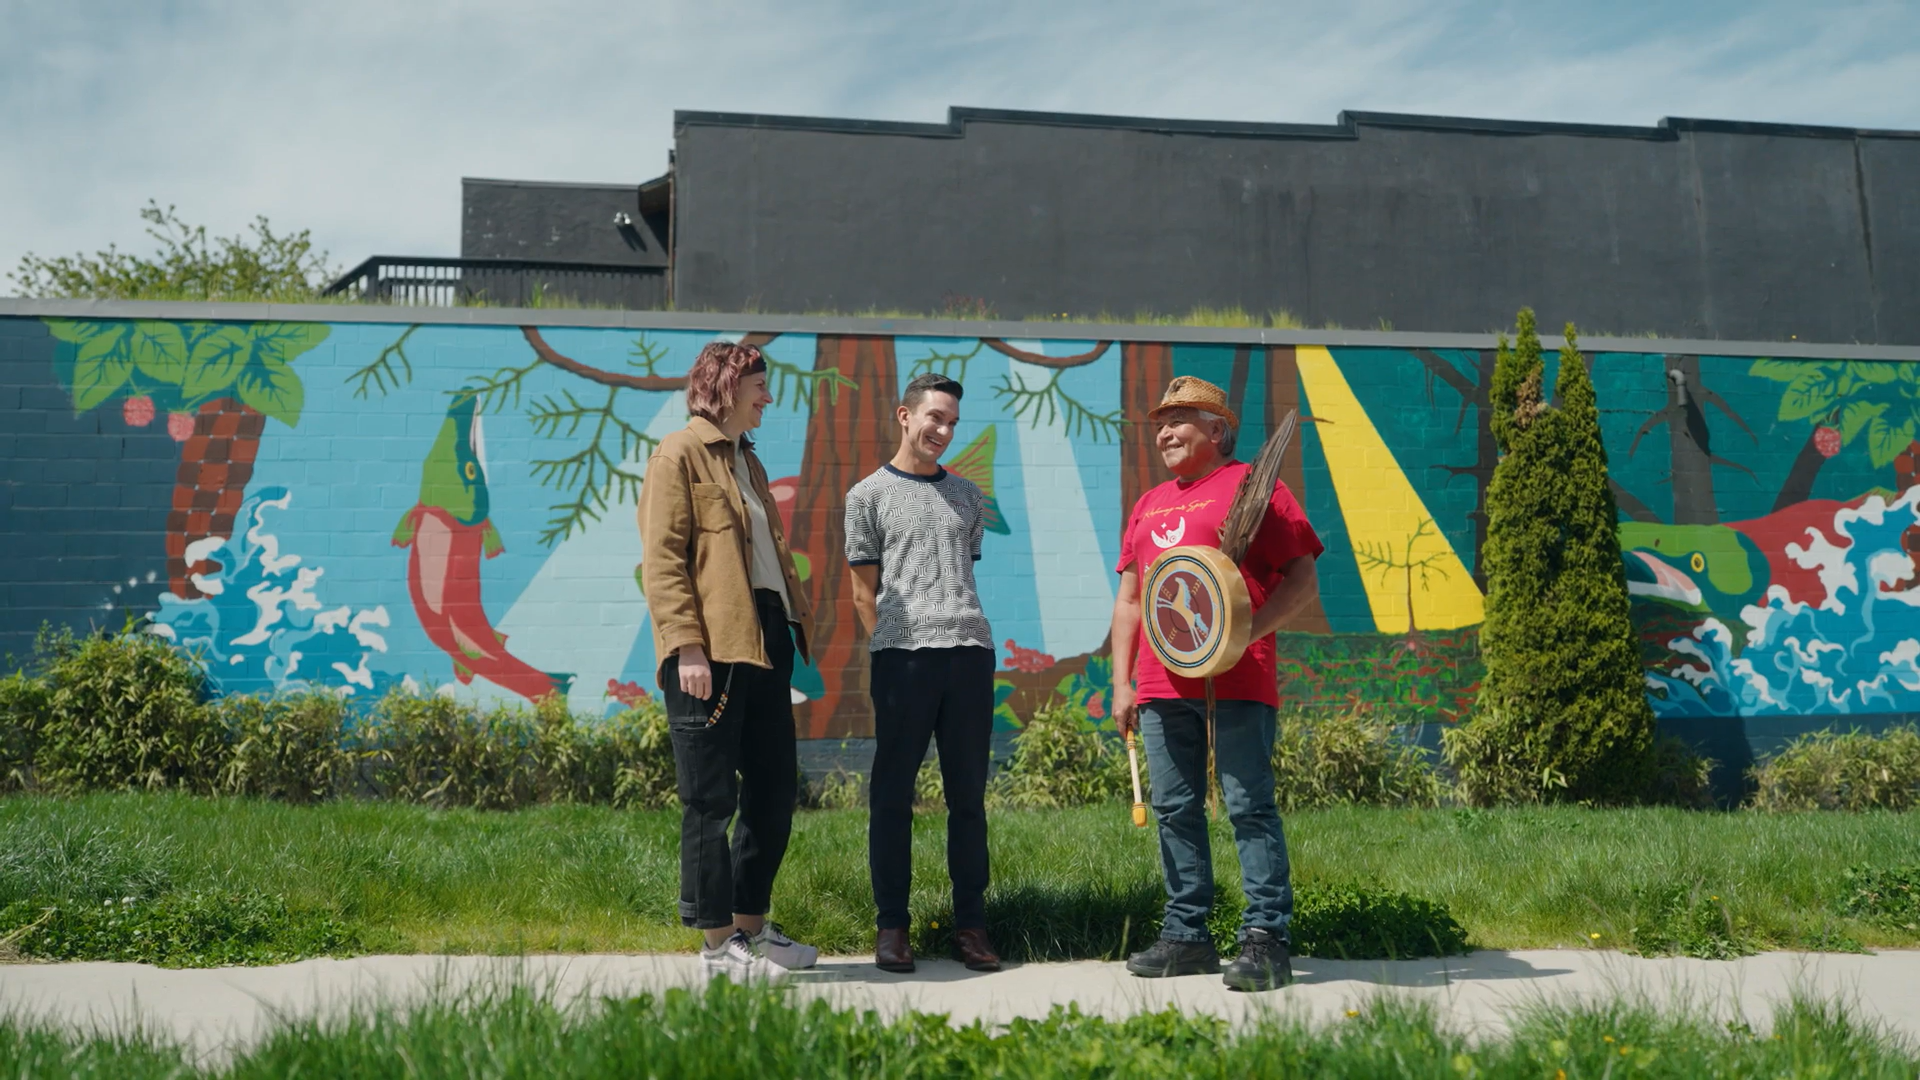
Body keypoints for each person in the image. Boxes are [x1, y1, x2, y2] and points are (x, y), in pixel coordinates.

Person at [1110, 375, 1324, 992]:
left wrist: (1247, 632)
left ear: (1217, 430)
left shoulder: (1256, 489)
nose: (1166, 431)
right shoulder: (1149, 504)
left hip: (1239, 677)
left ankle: (1266, 939)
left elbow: (1302, 579)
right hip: (1158, 682)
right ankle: (1187, 936)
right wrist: (1121, 682)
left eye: (1181, 419)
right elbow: (1130, 599)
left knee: (1247, 806)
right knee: (1175, 810)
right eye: (1161, 422)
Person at [639, 340, 818, 983]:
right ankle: (717, 947)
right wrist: (687, 644)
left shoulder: (748, 462)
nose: (768, 398)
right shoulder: (679, 455)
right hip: (709, 646)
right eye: (759, 387)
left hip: (764, 638)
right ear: (726, 384)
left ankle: (750, 927)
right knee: (710, 799)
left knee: (773, 791)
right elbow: (663, 561)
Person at [845, 372, 1003, 974]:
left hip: (969, 654)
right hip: (903, 660)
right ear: (904, 416)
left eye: (953, 422)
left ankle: (972, 927)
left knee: (969, 799)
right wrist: (892, 650)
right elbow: (865, 593)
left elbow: (962, 573)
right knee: (891, 796)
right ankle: (892, 928)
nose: (944, 430)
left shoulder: (968, 496)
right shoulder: (867, 496)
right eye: (935, 417)